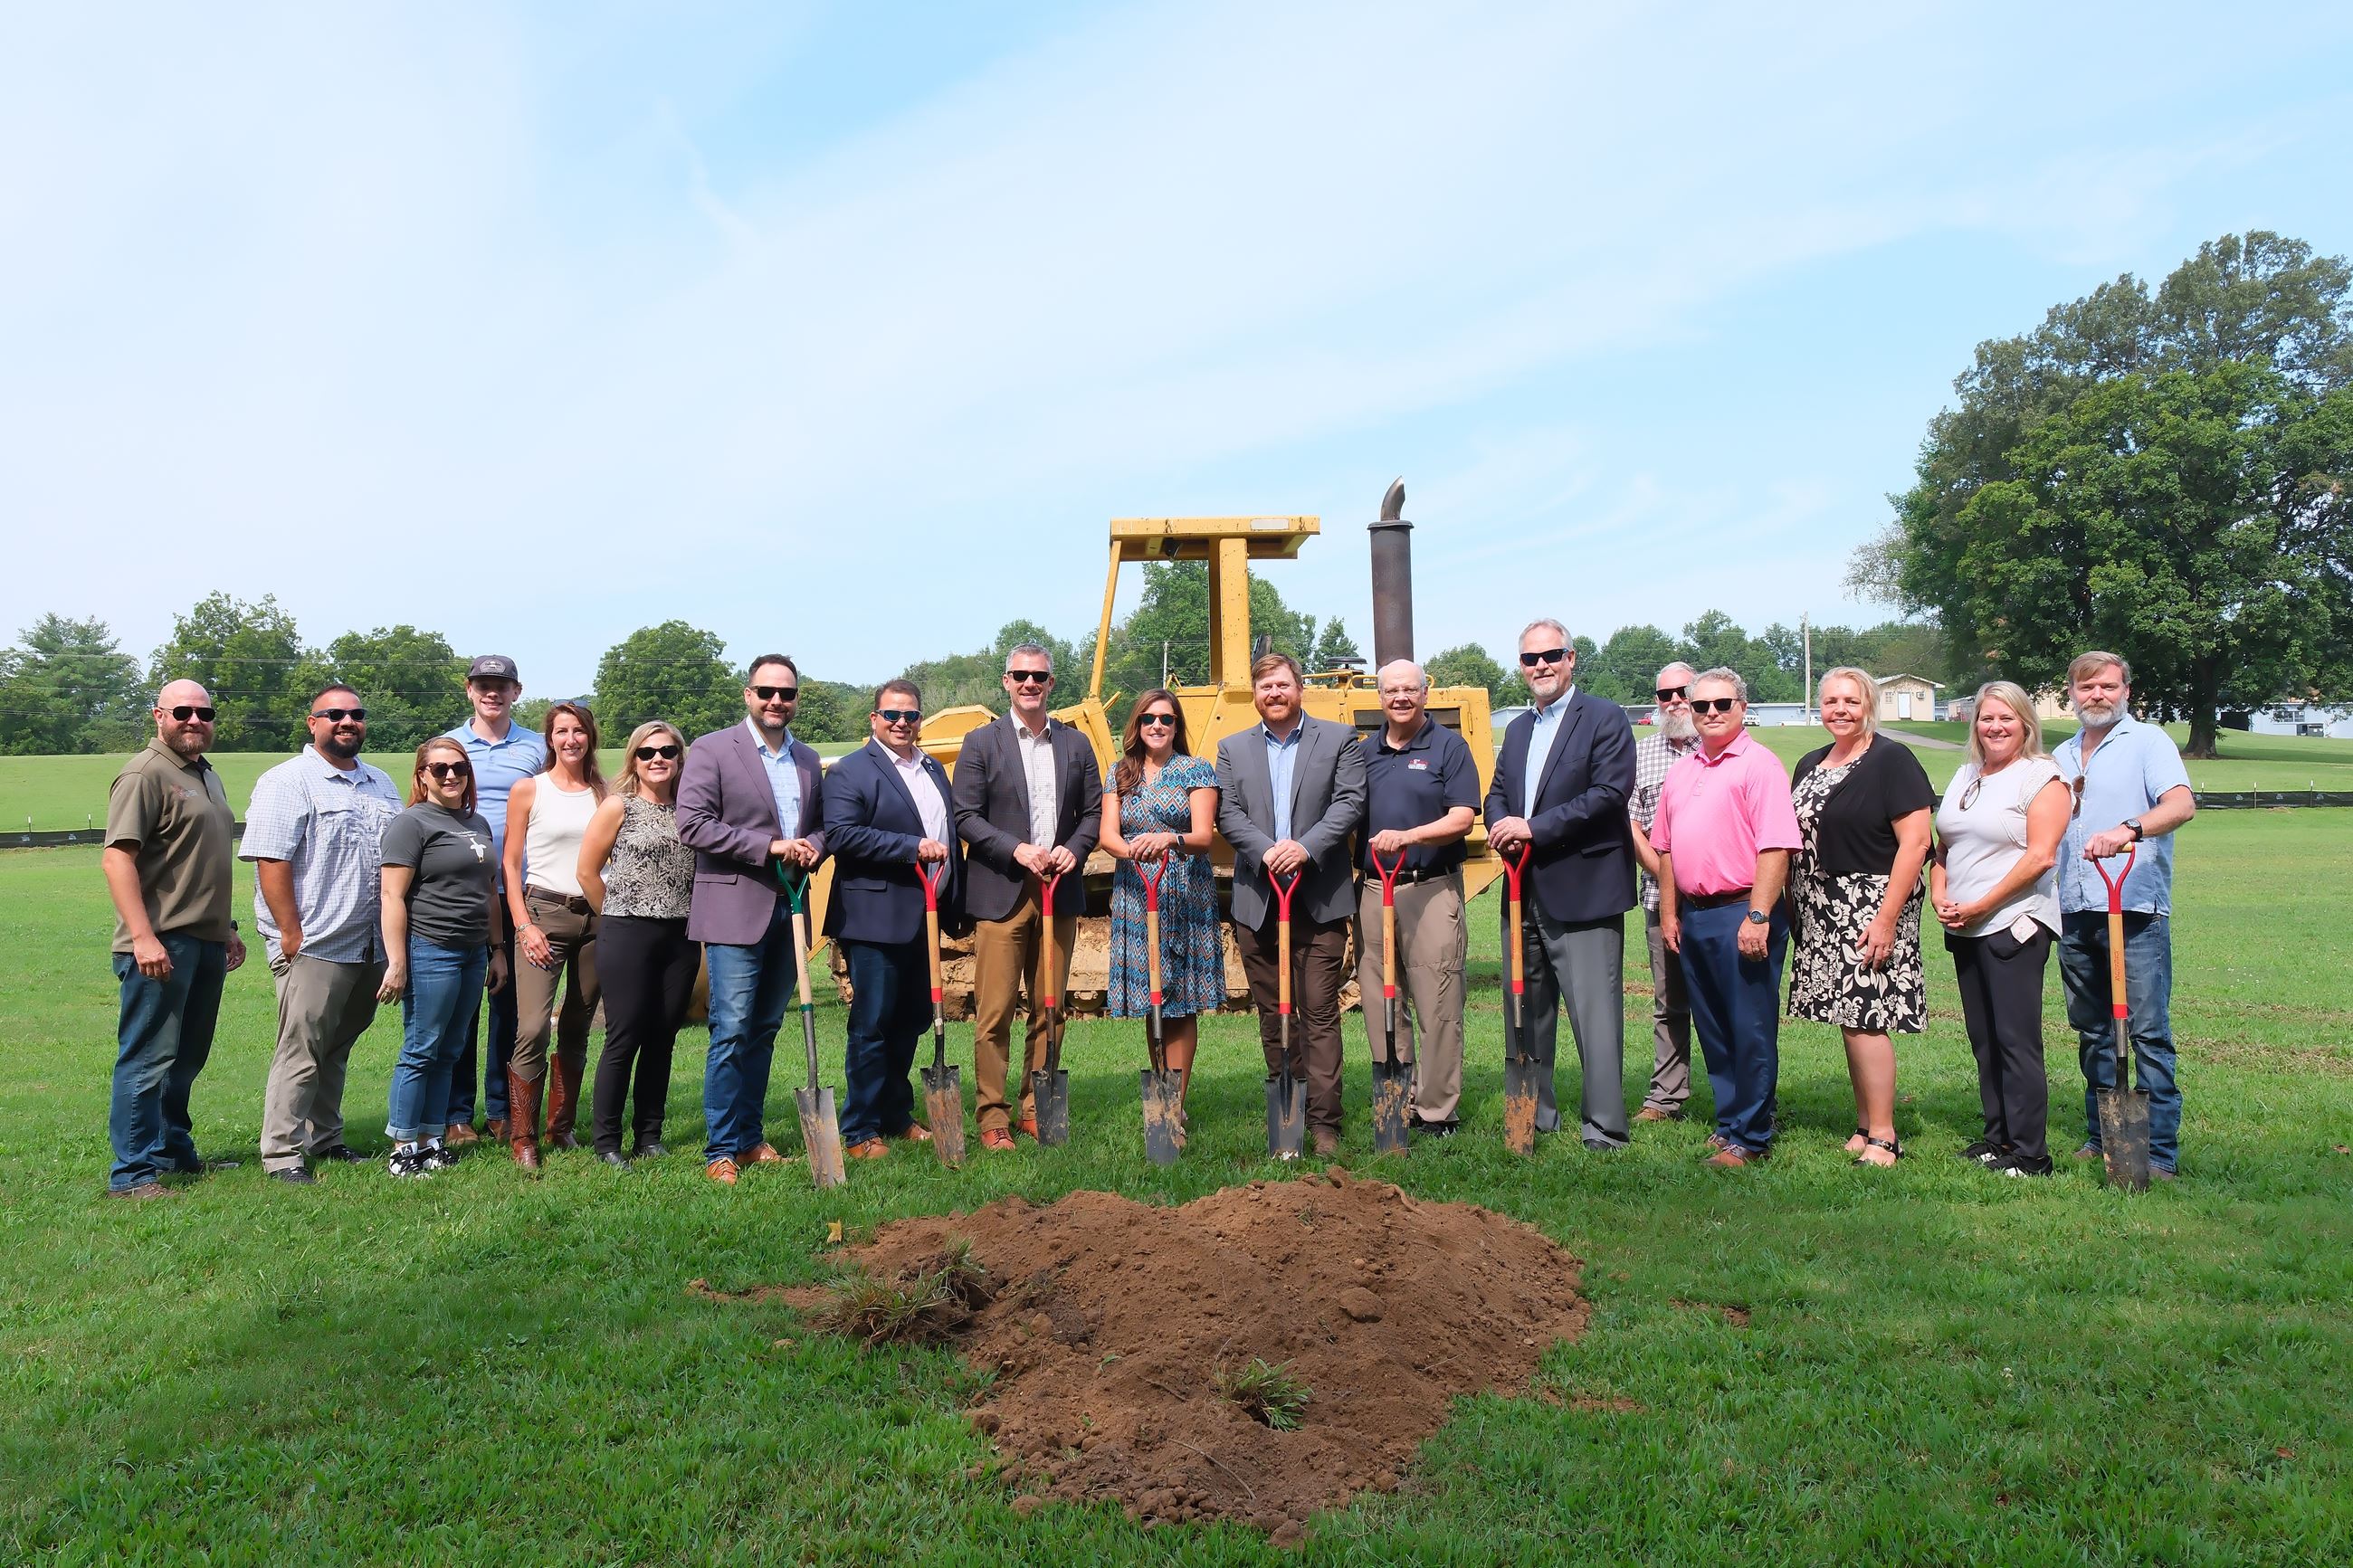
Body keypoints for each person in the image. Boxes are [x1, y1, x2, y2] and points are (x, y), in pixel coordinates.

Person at [1485, 620, 1639, 1150]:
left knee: (1594, 1016)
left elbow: (1608, 794)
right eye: (1530, 659)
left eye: (1551, 655)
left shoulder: (1603, 717)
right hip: (1521, 889)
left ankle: (1604, 1128)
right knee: (1524, 1011)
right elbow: (1497, 793)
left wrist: (1533, 828)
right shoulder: (1518, 729)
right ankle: (1530, 1118)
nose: (1541, 666)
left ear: (1571, 658)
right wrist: (1500, 825)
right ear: (1521, 667)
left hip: (1584, 888)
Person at [242, 684, 403, 1185]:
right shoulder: (287, 781)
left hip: (369, 943)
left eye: (356, 714)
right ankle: (281, 1153)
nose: (347, 721)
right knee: (302, 1049)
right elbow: (271, 860)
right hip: (317, 943)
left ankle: (325, 1138)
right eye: (334, 714)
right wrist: (290, 933)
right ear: (313, 723)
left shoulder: (380, 783)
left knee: (337, 1046)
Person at [675, 656, 827, 1185]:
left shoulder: (807, 759)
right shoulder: (714, 749)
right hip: (735, 910)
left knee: (764, 1029)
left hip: (791, 907)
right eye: (766, 691)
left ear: (796, 699)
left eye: (786, 693)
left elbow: (822, 826)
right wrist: (769, 847)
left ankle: (749, 1138)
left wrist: (814, 845)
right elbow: (693, 825)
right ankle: (720, 1148)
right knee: (732, 1030)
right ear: (748, 695)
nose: (776, 701)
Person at [950, 643, 1102, 1150]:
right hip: (1002, 892)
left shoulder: (1076, 744)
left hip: (1058, 889)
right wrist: (1016, 850)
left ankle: (1037, 1107)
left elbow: (1093, 813)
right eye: (1020, 675)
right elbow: (965, 816)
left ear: (1051, 683)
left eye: (1038, 676)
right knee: (994, 1012)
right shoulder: (981, 742)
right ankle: (993, 1116)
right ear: (1006, 681)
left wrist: (1072, 850)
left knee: (1049, 1007)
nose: (1029, 683)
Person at [100, 679, 247, 1199]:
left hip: (204, 941)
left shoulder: (205, 774)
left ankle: (172, 1151)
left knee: (185, 1057)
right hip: (161, 943)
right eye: (182, 711)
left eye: (204, 713)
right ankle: (131, 1174)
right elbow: (117, 859)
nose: (194, 721)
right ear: (159, 716)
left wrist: (226, 930)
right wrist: (143, 937)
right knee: (146, 1059)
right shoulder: (145, 774)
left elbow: (199, 862)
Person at [2052, 651, 2196, 1178]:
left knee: (2147, 1032)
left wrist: (2128, 829)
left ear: (2126, 691)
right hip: (2074, 909)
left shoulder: (2148, 742)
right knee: (2092, 1030)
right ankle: (2102, 1136)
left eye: (2109, 687)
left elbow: (2180, 805)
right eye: (2087, 687)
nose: (2098, 695)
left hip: (2133, 908)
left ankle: (2158, 1152)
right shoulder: (2062, 754)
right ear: (2072, 693)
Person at [1215, 653, 1366, 1156]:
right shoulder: (1232, 748)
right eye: (1265, 687)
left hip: (1319, 900)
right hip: (1259, 901)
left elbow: (1349, 802)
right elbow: (1228, 814)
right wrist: (1266, 851)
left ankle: (1324, 1123)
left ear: (1299, 689)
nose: (1274, 694)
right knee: (1273, 1014)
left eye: (1282, 685)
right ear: (1256, 696)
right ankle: (1290, 1110)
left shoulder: (1338, 740)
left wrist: (1304, 848)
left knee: (1318, 1011)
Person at [1651, 669, 1802, 1169]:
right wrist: (1670, 912)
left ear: (1742, 707)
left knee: (1749, 1027)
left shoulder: (1760, 766)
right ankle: (1730, 1121)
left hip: (1742, 909)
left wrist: (1759, 914)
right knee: (1713, 1027)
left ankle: (1752, 1136)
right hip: (1694, 915)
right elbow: (1665, 848)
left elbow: (1775, 846)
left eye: (1722, 704)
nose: (1711, 713)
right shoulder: (1683, 770)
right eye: (1701, 706)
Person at [1786, 668, 1936, 1167]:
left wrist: (1887, 919)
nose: (1841, 710)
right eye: (1831, 701)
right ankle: (1865, 1123)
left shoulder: (1892, 760)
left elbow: (1916, 843)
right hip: (1819, 905)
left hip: (1870, 903)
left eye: (1851, 701)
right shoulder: (1810, 763)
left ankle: (1885, 1136)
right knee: (1846, 1018)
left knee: (1866, 1016)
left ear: (1869, 705)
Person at [1932, 680, 2069, 1177]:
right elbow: (1944, 843)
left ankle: (2031, 1154)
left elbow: (2040, 857)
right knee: (1984, 1038)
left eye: (2006, 717)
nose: (1995, 727)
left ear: (2026, 723)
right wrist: (1940, 893)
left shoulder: (2043, 778)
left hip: (2014, 924)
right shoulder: (1967, 774)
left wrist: (1982, 905)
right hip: (1966, 927)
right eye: (1986, 718)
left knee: (2016, 1040)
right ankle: (1999, 1138)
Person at [824, 681, 964, 1160]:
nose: (901, 723)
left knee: (913, 1018)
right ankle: (860, 1127)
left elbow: (948, 834)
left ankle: (895, 1113)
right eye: (891, 715)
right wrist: (911, 847)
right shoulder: (851, 771)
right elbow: (842, 835)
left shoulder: (933, 768)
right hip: (874, 918)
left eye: (910, 715)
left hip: (925, 915)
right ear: (874, 719)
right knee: (873, 1023)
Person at [1356, 660, 1479, 1137]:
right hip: (1373, 890)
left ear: (1426, 693)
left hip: (1429, 888)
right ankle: (1396, 1100)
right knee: (1381, 1001)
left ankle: (1436, 1110)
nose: (1401, 698)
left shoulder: (1449, 747)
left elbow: (1463, 817)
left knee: (1438, 1003)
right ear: (1380, 697)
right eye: (1391, 691)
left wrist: (1408, 837)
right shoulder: (1364, 752)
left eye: (1410, 689)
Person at [377, 738, 508, 1178]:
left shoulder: (477, 822)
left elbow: (489, 891)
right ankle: (402, 1147)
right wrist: (397, 963)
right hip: (431, 948)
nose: (451, 775)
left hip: (473, 952)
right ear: (422, 776)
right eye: (439, 769)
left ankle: (432, 1140)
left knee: (450, 1050)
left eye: (459, 767)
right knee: (421, 1048)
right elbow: (392, 896)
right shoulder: (411, 824)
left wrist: (497, 950)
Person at [1100, 689, 1222, 1133]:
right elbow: (1108, 835)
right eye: (1148, 718)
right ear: (1137, 724)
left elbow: (1204, 836)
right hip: (1137, 890)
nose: (1157, 725)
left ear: (1176, 726)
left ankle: (1175, 1105)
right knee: (1153, 999)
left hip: (1184, 892)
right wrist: (1133, 851)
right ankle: (1163, 1095)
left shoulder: (1196, 769)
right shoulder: (1120, 773)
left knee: (1180, 1000)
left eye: (1166, 719)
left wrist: (1169, 839)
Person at [579, 721, 699, 1170]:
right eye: (647, 752)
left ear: (680, 757)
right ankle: (607, 1141)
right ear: (633, 760)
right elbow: (587, 871)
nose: (657, 759)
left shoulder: (692, 809)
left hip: (680, 936)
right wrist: (616, 914)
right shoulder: (619, 806)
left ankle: (649, 1135)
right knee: (624, 1036)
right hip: (627, 932)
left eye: (667, 751)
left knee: (662, 1037)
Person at [443, 655, 548, 1145]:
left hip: (520, 893)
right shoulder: (449, 746)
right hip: (463, 892)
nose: (492, 693)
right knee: (462, 1005)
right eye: (483, 685)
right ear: (469, 690)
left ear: (516, 691)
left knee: (510, 1007)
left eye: (501, 685)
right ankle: (457, 1112)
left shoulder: (537, 746)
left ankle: (503, 1108)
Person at [500, 701, 607, 1165]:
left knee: (579, 1026)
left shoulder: (606, 794)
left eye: (578, 731)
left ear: (590, 737)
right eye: (561, 731)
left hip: (597, 918)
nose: (571, 739)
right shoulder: (530, 790)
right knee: (532, 1027)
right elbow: (510, 864)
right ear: (550, 739)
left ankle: (560, 1127)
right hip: (544, 914)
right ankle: (522, 1137)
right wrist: (523, 925)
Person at [1628, 663, 1702, 1122]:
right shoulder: (1641, 753)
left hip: (1721, 902)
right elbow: (1632, 825)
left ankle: (1745, 1101)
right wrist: (1672, 882)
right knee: (1669, 1001)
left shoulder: (1719, 747)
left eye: (1683, 691)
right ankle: (1666, 1097)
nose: (1675, 700)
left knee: (1726, 1003)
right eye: (1665, 694)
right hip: (1661, 901)